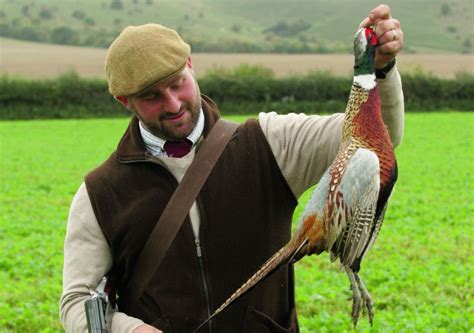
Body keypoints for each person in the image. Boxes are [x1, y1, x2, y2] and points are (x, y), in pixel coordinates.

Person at [60, 4, 404, 332]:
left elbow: (380, 139)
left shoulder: (269, 144)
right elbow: (76, 302)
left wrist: (380, 69)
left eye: (177, 83)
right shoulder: (100, 193)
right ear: (125, 101)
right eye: (152, 97)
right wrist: (128, 330)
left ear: (190, 65)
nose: (173, 103)